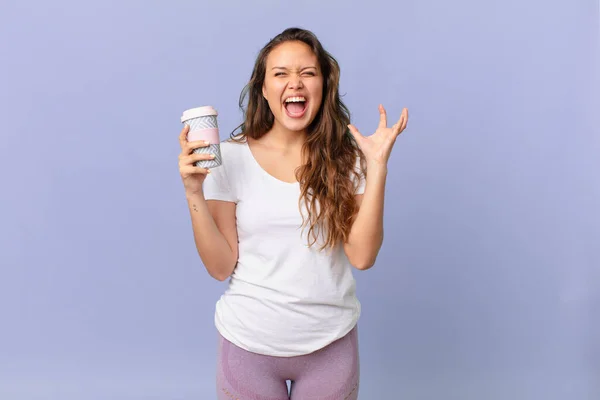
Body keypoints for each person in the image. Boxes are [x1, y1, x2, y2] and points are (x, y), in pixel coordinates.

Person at [178, 27, 408, 400]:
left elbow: (363, 256)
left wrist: (377, 167)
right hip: (247, 345)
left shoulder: (349, 156)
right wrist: (194, 192)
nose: (294, 83)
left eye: (308, 73)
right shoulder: (230, 157)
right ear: (263, 88)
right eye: (281, 74)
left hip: (330, 344)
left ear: (324, 85)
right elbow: (221, 266)